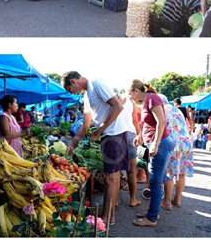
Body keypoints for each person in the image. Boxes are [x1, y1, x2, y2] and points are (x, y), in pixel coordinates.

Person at [61, 71, 127, 226]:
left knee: (111, 178)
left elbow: (118, 106)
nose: (73, 93)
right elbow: (85, 124)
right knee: (114, 176)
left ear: (73, 81)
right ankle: (110, 214)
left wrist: (99, 131)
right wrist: (73, 143)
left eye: (70, 90)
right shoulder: (86, 95)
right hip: (109, 136)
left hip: (114, 135)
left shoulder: (96, 82)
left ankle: (104, 219)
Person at [128, 80, 173, 227]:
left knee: (155, 182)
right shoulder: (147, 100)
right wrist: (140, 136)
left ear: (136, 90)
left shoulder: (153, 98)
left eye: (130, 93)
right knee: (153, 181)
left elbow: (161, 121)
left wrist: (155, 143)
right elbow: (150, 123)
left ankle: (152, 218)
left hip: (161, 144)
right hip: (153, 143)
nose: (130, 97)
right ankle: (152, 212)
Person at [160, 94, 193, 210]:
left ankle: (167, 202)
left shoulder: (161, 109)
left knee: (169, 172)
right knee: (181, 172)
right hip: (186, 142)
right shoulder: (177, 110)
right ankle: (177, 199)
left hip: (173, 143)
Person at [114, 90, 142, 208]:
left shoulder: (112, 101)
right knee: (131, 171)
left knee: (116, 171)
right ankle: (132, 199)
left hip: (116, 135)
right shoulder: (131, 102)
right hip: (130, 135)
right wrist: (139, 134)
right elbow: (135, 121)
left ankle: (115, 201)